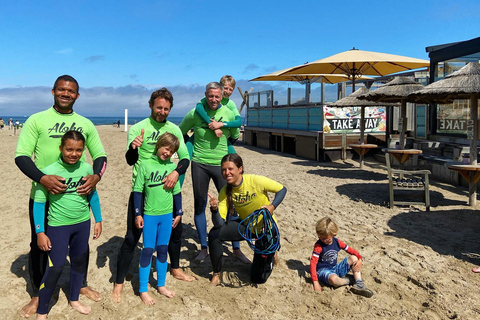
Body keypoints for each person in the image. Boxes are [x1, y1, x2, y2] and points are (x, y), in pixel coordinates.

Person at [15, 75, 107, 318]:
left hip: (76, 195)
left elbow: (101, 156)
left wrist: (96, 176)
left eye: (71, 91)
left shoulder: (85, 123)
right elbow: (21, 156)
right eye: (62, 90)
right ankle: (37, 294)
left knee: (81, 247)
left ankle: (81, 284)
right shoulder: (36, 120)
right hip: (43, 195)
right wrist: (42, 178)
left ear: (77, 95)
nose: (66, 94)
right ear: (53, 91)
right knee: (38, 244)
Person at [111, 88, 193, 304]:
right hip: (142, 191)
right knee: (131, 238)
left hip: (166, 192)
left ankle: (172, 272)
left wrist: (176, 171)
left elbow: (185, 158)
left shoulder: (174, 129)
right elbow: (130, 160)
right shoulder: (139, 128)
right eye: (159, 107)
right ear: (151, 106)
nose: (162, 112)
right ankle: (119, 283)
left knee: (174, 236)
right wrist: (133, 147)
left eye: (166, 108)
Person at [34, 131, 103, 319]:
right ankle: (42, 311)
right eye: (69, 149)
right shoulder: (48, 172)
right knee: (55, 267)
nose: (74, 154)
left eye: (79, 150)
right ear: (61, 148)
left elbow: (93, 195)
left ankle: (74, 299)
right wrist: (40, 232)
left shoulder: (87, 169)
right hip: (57, 227)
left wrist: (98, 219)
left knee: (79, 263)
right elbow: (39, 204)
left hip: (82, 224)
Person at [179, 82, 248, 262]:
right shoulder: (195, 114)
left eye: (217, 96)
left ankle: (236, 249)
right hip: (200, 164)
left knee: (231, 205)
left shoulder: (227, 112)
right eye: (211, 96)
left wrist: (221, 127)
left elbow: (234, 135)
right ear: (205, 94)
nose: (214, 99)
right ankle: (203, 248)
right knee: (200, 205)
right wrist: (189, 143)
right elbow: (180, 131)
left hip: (222, 166)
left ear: (221, 95)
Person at [207, 153, 287, 285]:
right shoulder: (225, 191)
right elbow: (219, 224)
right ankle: (217, 274)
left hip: (265, 228)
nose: (227, 173)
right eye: (224, 170)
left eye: (230, 169)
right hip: (247, 227)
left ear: (240, 169)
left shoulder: (255, 181)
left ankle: (271, 255)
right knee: (215, 234)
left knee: (257, 279)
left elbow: (282, 189)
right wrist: (214, 209)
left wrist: (272, 206)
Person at [134, 133, 183, 305]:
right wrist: (138, 213)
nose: (168, 153)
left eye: (172, 151)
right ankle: (143, 289)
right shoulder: (145, 165)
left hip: (167, 215)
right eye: (166, 148)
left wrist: (179, 213)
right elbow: (137, 191)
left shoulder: (172, 168)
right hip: (150, 215)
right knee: (147, 250)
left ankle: (161, 285)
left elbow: (177, 192)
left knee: (163, 249)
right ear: (159, 145)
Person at [310, 217, 374, 298]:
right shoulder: (318, 246)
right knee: (334, 280)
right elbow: (313, 263)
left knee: (354, 258)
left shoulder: (337, 242)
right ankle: (349, 280)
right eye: (321, 238)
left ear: (334, 234)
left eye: (327, 239)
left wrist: (360, 259)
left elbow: (351, 251)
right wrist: (315, 282)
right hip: (323, 271)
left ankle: (359, 284)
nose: (323, 240)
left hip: (335, 268)